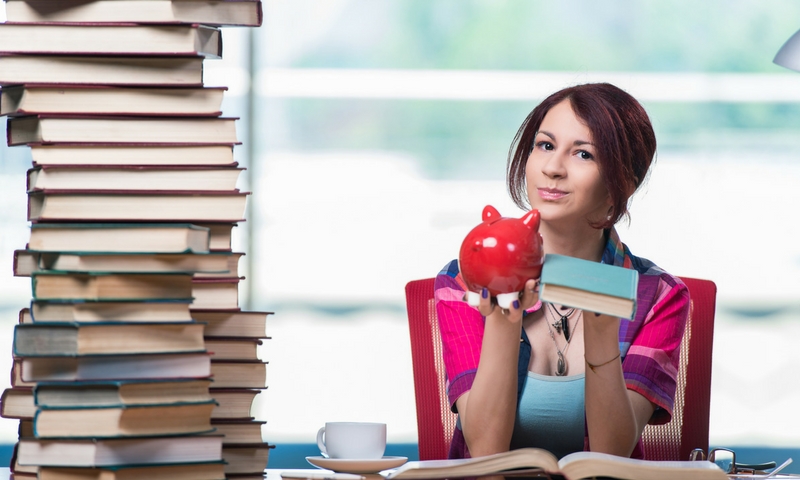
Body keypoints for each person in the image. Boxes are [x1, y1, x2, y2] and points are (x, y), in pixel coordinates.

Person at [434, 83, 689, 460]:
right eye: (546, 145)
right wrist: (505, 318)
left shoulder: (657, 296)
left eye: (583, 154)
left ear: (623, 182)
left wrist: (602, 329)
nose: (553, 168)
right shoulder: (465, 278)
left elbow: (613, 455)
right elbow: (485, 449)